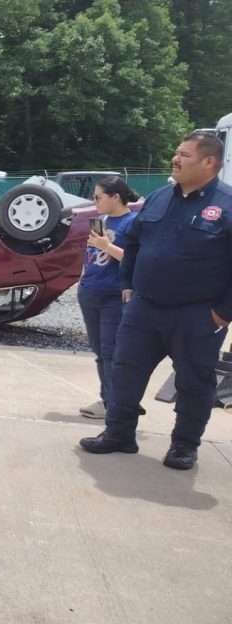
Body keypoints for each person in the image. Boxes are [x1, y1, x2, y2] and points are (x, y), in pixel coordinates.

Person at [80, 132, 232, 470]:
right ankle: (119, 434)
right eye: (176, 152)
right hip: (145, 308)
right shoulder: (159, 198)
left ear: (209, 162)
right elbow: (132, 243)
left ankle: (184, 446)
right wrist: (128, 285)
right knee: (124, 372)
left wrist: (222, 314)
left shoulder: (227, 205)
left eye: (184, 154)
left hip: (198, 315)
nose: (175, 159)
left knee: (194, 382)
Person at [77, 176, 139, 419]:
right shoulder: (100, 221)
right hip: (91, 291)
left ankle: (117, 403)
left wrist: (107, 246)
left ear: (115, 197)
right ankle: (109, 399)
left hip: (113, 295)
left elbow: (135, 259)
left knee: (111, 351)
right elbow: (92, 254)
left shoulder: (133, 223)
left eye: (98, 197)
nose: (95, 202)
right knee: (99, 351)